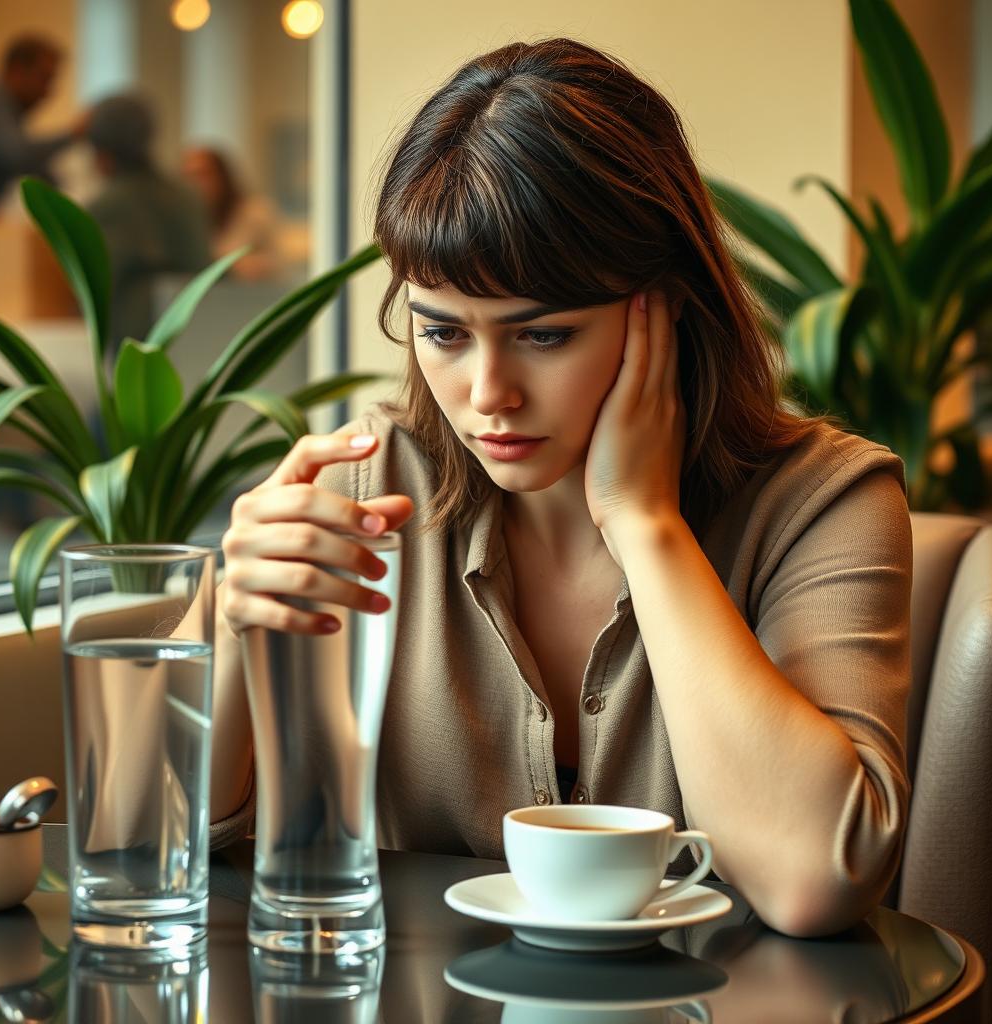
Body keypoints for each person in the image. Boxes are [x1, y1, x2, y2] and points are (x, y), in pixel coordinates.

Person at [212, 38, 912, 938]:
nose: (487, 393)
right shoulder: (365, 489)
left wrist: (644, 522)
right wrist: (231, 625)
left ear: (666, 307)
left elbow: (814, 880)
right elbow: (163, 855)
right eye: (444, 333)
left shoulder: (825, 503)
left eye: (542, 335)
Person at [85, 93, 210, 350]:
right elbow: (202, 263)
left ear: (101, 151)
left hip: (133, 341)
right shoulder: (185, 196)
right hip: (195, 333)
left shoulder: (106, 206)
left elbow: (96, 287)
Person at [0, 34, 86, 212]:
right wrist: (73, 134)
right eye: (44, 78)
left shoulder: (6, 109)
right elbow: (18, 156)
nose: (48, 92)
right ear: (16, 71)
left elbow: (32, 166)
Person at [180, 144, 283, 281]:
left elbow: (278, 264)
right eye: (189, 176)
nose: (195, 184)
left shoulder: (255, 213)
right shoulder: (184, 218)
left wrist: (231, 266)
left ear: (222, 176)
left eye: (203, 175)